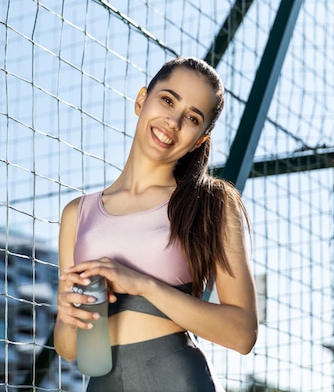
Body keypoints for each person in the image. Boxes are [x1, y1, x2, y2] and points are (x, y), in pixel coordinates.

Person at [54, 56, 259, 391]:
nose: (173, 121)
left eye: (192, 118)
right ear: (141, 100)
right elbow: (68, 346)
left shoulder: (211, 203)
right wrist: (67, 315)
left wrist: (142, 284)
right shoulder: (77, 213)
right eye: (167, 100)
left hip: (174, 378)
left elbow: (242, 334)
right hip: (101, 381)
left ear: (199, 141)